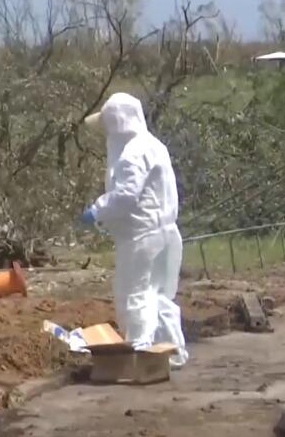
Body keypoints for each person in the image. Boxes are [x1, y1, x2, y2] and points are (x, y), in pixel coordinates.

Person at [80, 92, 189, 367]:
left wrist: (97, 210)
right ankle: (172, 353)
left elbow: (127, 196)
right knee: (159, 297)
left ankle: (140, 360)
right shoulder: (154, 145)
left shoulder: (132, 154)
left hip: (142, 238)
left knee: (135, 297)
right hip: (167, 234)